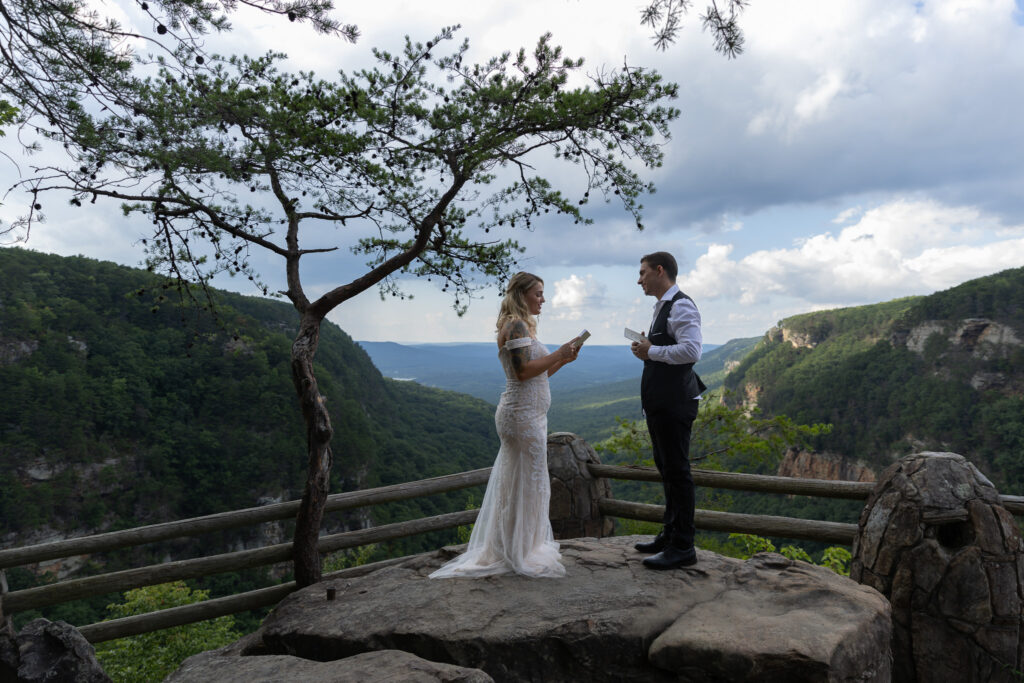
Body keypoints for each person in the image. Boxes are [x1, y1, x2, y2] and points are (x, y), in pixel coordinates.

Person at [430, 272, 580, 578]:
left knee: (523, 483)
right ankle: (514, 552)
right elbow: (523, 372)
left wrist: (562, 361)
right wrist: (558, 353)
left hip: (530, 415)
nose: (543, 299)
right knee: (526, 484)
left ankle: (516, 546)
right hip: (521, 418)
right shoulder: (515, 324)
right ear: (522, 294)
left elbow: (535, 377)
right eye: (538, 293)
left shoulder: (521, 326)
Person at [630, 251, 706, 570]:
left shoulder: (682, 304)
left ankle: (683, 546)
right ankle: (670, 533)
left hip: (675, 403)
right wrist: (648, 350)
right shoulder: (662, 306)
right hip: (661, 403)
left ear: (660, 271)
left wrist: (652, 351)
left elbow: (692, 351)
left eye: (643, 272)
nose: (640, 279)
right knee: (667, 469)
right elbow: (667, 350)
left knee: (677, 472)